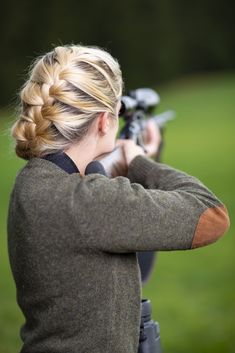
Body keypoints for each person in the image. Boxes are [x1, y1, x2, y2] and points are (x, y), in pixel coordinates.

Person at [7, 44, 230, 353]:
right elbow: (211, 215)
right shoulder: (88, 201)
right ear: (103, 121)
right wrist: (139, 161)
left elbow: (133, 262)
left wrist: (116, 166)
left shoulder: (32, 183)